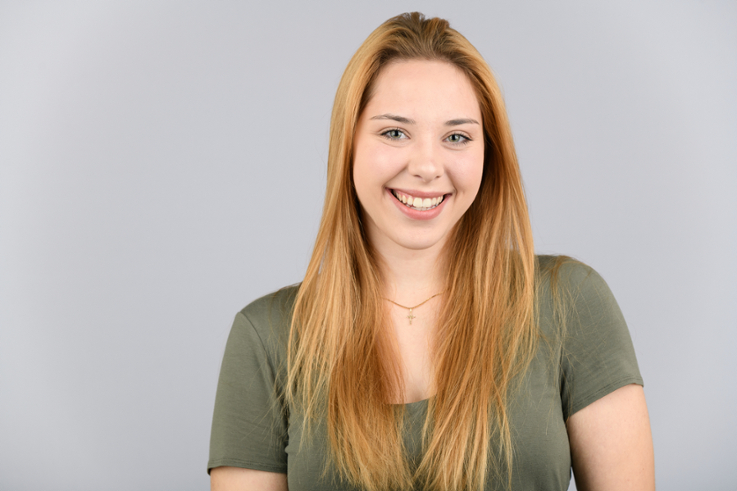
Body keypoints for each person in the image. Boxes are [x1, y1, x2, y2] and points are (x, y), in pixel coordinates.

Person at [208, 12, 654, 491]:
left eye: (456, 136)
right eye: (394, 132)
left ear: (489, 154)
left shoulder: (572, 304)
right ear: (349, 145)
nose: (426, 166)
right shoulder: (267, 339)